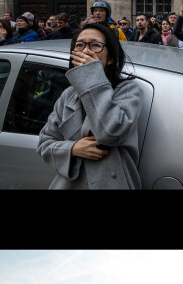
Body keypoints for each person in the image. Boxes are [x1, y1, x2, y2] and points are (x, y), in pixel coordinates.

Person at [38, 20, 144, 187]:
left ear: (110, 58)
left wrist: (91, 76)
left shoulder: (128, 90)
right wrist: (72, 149)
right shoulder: (68, 95)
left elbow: (110, 132)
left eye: (95, 45)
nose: (86, 51)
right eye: (80, 45)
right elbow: (45, 143)